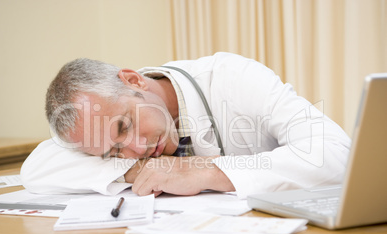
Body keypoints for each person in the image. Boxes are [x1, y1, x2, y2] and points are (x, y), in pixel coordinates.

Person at [20, 52, 351, 199]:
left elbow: (337, 155)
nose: (135, 149)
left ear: (133, 80)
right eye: (115, 150)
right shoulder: (114, 136)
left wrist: (208, 171)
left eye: (124, 126)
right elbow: (35, 169)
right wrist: (132, 172)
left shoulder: (234, 79)